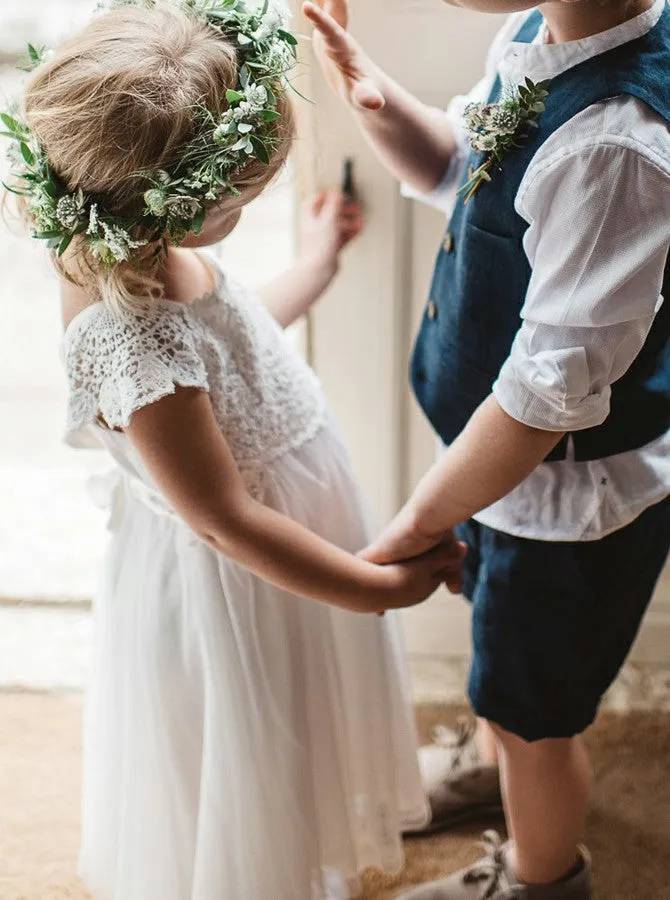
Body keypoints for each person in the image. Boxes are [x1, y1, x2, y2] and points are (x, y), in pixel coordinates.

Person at [2, 2, 466, 897]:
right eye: (241, 202)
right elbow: (221, 519)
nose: (247, 213)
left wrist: (319, 264)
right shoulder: (128, 332)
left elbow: (231, 337)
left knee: (301, 722)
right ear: (177, 205)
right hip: (245, 577)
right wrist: (372, 590)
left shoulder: (140, 252)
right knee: (260, 748)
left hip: (274, 542)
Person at [304, 0, 670, 896]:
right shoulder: (542, 36)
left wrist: (419, 520)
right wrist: (369, 93)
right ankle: (493, 735)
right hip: (509, 476)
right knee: (507, 653)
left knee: (537, 717)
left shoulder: (614, 143)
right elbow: (466, 168)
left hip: (564, 497)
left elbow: (544, 399)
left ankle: (543, 875)